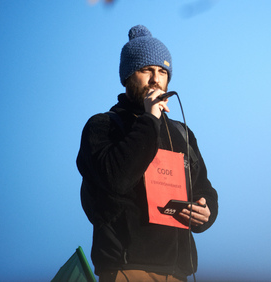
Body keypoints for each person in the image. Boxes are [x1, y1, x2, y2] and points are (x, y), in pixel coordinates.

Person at [77, 25, 218, 282]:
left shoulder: (182, 134)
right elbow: (117, 178)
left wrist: (206, 213)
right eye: (146, 70)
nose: (156, 79)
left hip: (178, 272)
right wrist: (150, 119)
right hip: (126, 268)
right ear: (128, 77)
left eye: (162, 72)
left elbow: (203, 189)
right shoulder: (102, 126)